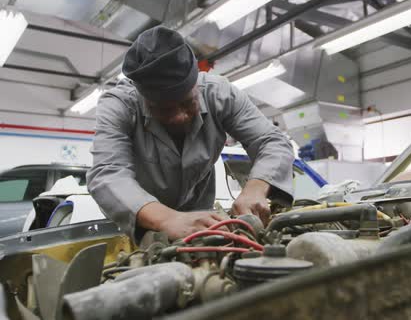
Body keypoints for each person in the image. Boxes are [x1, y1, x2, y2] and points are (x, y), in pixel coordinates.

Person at [87, 26, 294, 242]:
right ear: (144, 99)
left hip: (205, 224)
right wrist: (167, 219)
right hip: (142, 226)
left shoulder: (220, 95)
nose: (179, 117)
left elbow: (272, 141)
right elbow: (107, 174)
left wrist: (255, 188)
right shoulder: (119, 106)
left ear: (196, 84)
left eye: (188, 103)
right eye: (165, 109)